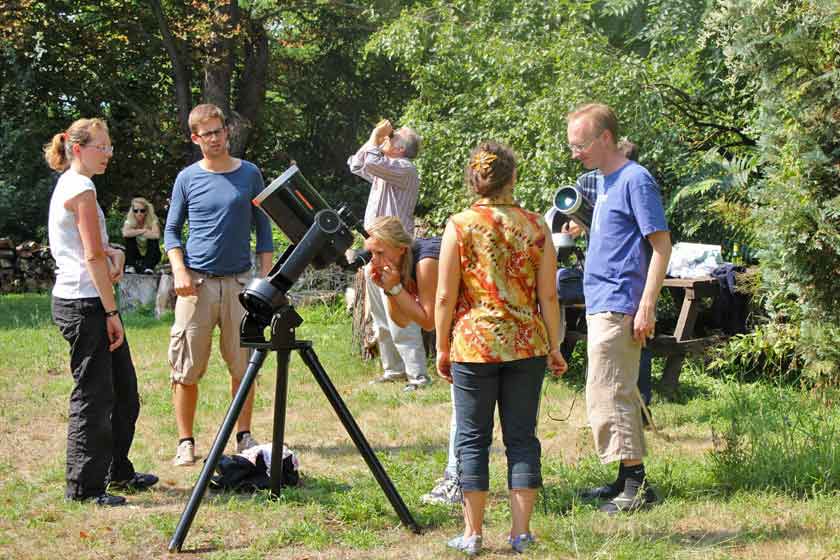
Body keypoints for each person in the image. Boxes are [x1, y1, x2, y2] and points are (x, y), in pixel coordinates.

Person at [436, 141, 567, 555]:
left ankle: (473, 535)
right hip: (527, 343)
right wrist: (555, 344)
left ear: (474, 181)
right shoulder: (536, 226)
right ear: (513, 177)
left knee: (472, 439)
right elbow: (549, 295)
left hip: (474, 345)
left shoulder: (459, 225)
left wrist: (441, 346)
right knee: (522, 438)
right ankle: (521, 535)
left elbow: (443, 295)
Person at [45, 118, 158, 506]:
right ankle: (84, 487)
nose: (108, 153)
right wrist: (111, 311)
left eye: (109, 146)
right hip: (84, 304)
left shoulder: (78, 186)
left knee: (125, 392)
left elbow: (96, 250)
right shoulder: (80, 188)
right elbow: (91, 256)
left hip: (92, 300)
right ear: (78, 148)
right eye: (101, 147)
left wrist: (118, 253)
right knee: (93, 397)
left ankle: (117, 472)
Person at [566, 103, 672, 514]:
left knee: (611, 391)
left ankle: (637, 487)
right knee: (610, 390)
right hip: (600, 299)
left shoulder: (635, 179)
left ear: (605, 138)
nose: (576, 153)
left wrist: (646, 305)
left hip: (620, 302)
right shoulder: (604, 182)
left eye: (581, 145)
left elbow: (660, 245)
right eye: (572, 145)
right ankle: (624, 480)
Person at [163, 103, 274, 466]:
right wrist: (179, 271)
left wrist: (266, 280)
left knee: (243, 366)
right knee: (187, 367)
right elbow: (171, 231)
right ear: (195, 139)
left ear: (228, 131)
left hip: (240, 282)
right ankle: (186, 441)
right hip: (196, 284)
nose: (215, 138)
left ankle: (243, 435)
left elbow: (263, 229)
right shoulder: (187, 178)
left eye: (219, 130)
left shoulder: (250, 174)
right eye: (206, 133)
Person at [362, 217, 459, 505]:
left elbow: (428, 321)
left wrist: (395, 289)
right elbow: (402, 319)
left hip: (475, 330)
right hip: (459, 331)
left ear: (400, 248)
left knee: (463, 410)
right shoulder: (397, 267)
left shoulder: (426, 260)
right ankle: (457, 476)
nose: (374, 260)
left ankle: (457, 479)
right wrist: (391, 288)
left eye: (380, 253)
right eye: (371, 254)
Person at [557, 139, 654, 411]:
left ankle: (639, 406)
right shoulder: (603, 184)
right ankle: (628, 410)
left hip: (627, 284)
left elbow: (650, 240)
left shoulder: (636, 185)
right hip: (605, 286)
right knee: (624, 348)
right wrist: (578, 225)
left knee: (638, 344)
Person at [348, 119, 430, 392]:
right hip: (377, 249)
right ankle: (393, 369)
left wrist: (375, 135)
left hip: (395, 251)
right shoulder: (387, 169)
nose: (385, 140)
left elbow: (370, 162)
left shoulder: (404, 168)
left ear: (399, 148)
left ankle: (417, 375)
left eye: (392, 138)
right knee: (381, 315)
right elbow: (357, 163)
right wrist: (378, 139)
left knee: (399, 310)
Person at [122, 197, 162, 274]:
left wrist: (134, 231)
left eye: (142, 211)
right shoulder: (129, 221)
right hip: (136, 253)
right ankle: (130, 265)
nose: (139, 213)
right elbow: (125, 233)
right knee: (129, 239)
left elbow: (156, 235)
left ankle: (149, 267)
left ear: (146, 211)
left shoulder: (153, 220)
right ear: (132, 211)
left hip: (151, 254)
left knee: (153, 240)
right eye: (136, 211)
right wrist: (143, 231)